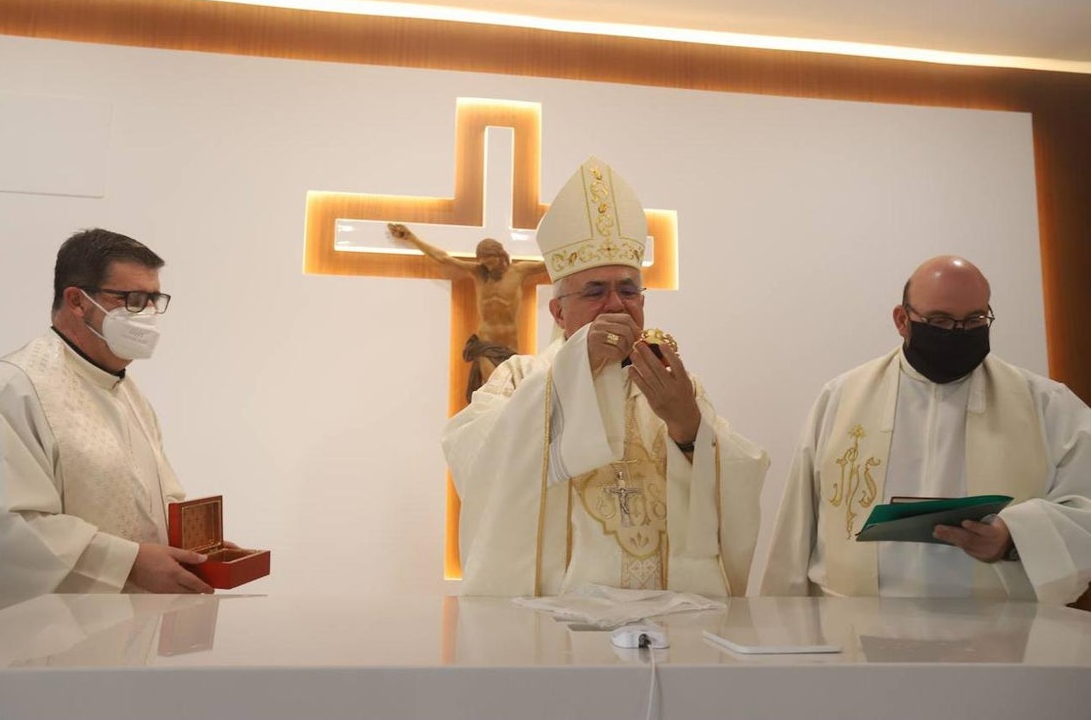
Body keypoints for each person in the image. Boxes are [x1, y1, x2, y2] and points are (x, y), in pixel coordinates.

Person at [443, 157, 769, 597]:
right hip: (559, 620)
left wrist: (688, 429)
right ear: (559, 312)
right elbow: (472, 456)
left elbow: (740, 474)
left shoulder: (673, 382)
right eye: (595, 291)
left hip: (667, 618)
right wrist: (571, 377)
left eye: (629, 290)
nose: (616, 304)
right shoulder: (520, 378)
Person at [760, 255, 1091, 604]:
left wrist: (1014, 537)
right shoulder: (842, 398)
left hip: (998, 628)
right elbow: (798, 519)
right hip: (857, 622)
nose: (958, 332)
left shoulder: (1045, 403)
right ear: (902, 320)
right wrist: (783, 618)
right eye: (940, 320)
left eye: (974, 319)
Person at [0, 228, 213, 627]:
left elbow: (153, 501)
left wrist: (198, 548)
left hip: (125, 631)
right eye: (132, 300)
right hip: (41, 644)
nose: (147, 315)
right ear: (77, 301)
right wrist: (129, 563)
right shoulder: (12, 390)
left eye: (154, 300)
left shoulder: (127, 393)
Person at [388, 224, 547, 400]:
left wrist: (572, 247)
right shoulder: (478, 272)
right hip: (486, 344)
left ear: (500, 255)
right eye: (483, 262)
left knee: (511, 395)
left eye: (489, 261)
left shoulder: (520, 271)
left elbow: (547, 264)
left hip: (510, 347)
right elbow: (443, 258)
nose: (486, 266)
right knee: (496, 390)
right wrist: (411, 238)